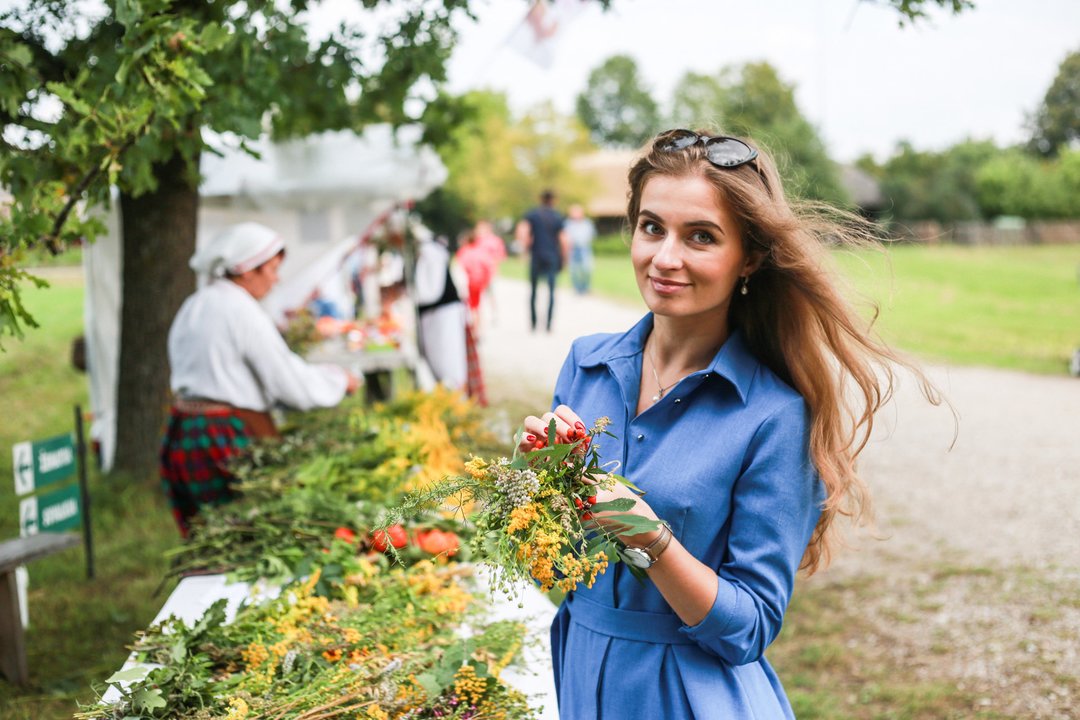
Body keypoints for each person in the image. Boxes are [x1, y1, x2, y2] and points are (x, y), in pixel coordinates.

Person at [515, 129, 942, 718]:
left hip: (687, 697)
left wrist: (650, 537)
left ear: (750, 258)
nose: (666, 257)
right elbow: (554, 567)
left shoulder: (773, 416)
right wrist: (533, 488)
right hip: (582, 673)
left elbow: (749, 629)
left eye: (701, 237)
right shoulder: (585, 365)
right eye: (652, 227)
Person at [162, 222, 359, 537]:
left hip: (183, 429)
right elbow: (287, 382)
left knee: (206, 533)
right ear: (245, 270)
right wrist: (338, 380)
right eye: (271, 270)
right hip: (221, 435)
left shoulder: (194, 304)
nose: (276, 279)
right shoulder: (240, 309)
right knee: (243, 532)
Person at [414, 227, 468, 392]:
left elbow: (429, 293)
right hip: (435, 316)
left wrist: (410, 295)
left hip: (443, 316)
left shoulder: (430, 254)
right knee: (438, 360)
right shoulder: (428, 252)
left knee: (448, 361)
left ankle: (453, 397)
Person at [516, 189, 568, 332]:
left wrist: (524, 250)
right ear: (553, 200)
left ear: (541, 199)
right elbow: (564, 240)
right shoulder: (557, 216)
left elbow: (523, 232)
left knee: (533, 290)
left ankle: (533, 323)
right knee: (551, 291)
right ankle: (548, 325)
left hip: (536, 255)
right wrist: (565, 258)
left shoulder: (532, 214)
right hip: (552, 256)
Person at [564, 203, 596, 294]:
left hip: (584, 248)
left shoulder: (587, 223)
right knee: (573, 269)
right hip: (573, 249)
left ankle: (586, 287)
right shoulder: (568, 224)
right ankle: (576, 288)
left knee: (586, 268)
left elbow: (591, 235)